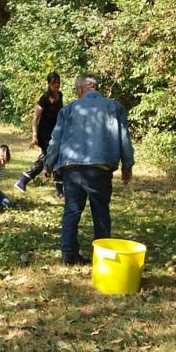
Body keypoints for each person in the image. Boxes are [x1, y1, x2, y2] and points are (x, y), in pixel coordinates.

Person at [44, 74, 134, 265]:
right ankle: (103, 258)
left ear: (83, 88)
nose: (77, 93)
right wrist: (127, 166)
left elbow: (56, 140)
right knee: (101, 211)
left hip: (72, 168)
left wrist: (48, 165)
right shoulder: (115, 108)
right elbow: (125, 139)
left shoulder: (68, 110)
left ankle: (68, 255)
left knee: (72, 211)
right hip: (100, 168)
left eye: (77, 90)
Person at [15, 72, 64, 196]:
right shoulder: (44, 98)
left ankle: (24, 180)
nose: (56, 85)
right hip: (44, 134)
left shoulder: (60, 96)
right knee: (51, 156)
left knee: (51, 157)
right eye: (54, 83)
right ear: (49, 84)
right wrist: (34, 136)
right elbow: (35, 118)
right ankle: (24, 179)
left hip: (55, 133)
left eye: (58, 82)